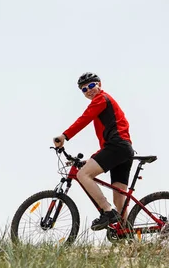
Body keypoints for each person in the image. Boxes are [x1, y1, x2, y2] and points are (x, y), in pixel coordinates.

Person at [53, 72, 134, 231]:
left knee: (82, 174)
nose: (89, 90)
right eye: (84, 89)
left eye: (91, 86)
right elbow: (106, 146)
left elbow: (84, 118)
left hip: (117, 147)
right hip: (123, 149)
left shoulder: (101, 99)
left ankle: (107, 211)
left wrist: (64, 135)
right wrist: (89, 161)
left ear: (99, 84)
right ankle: (127, 234)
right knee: (120, 200)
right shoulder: (104, 102)